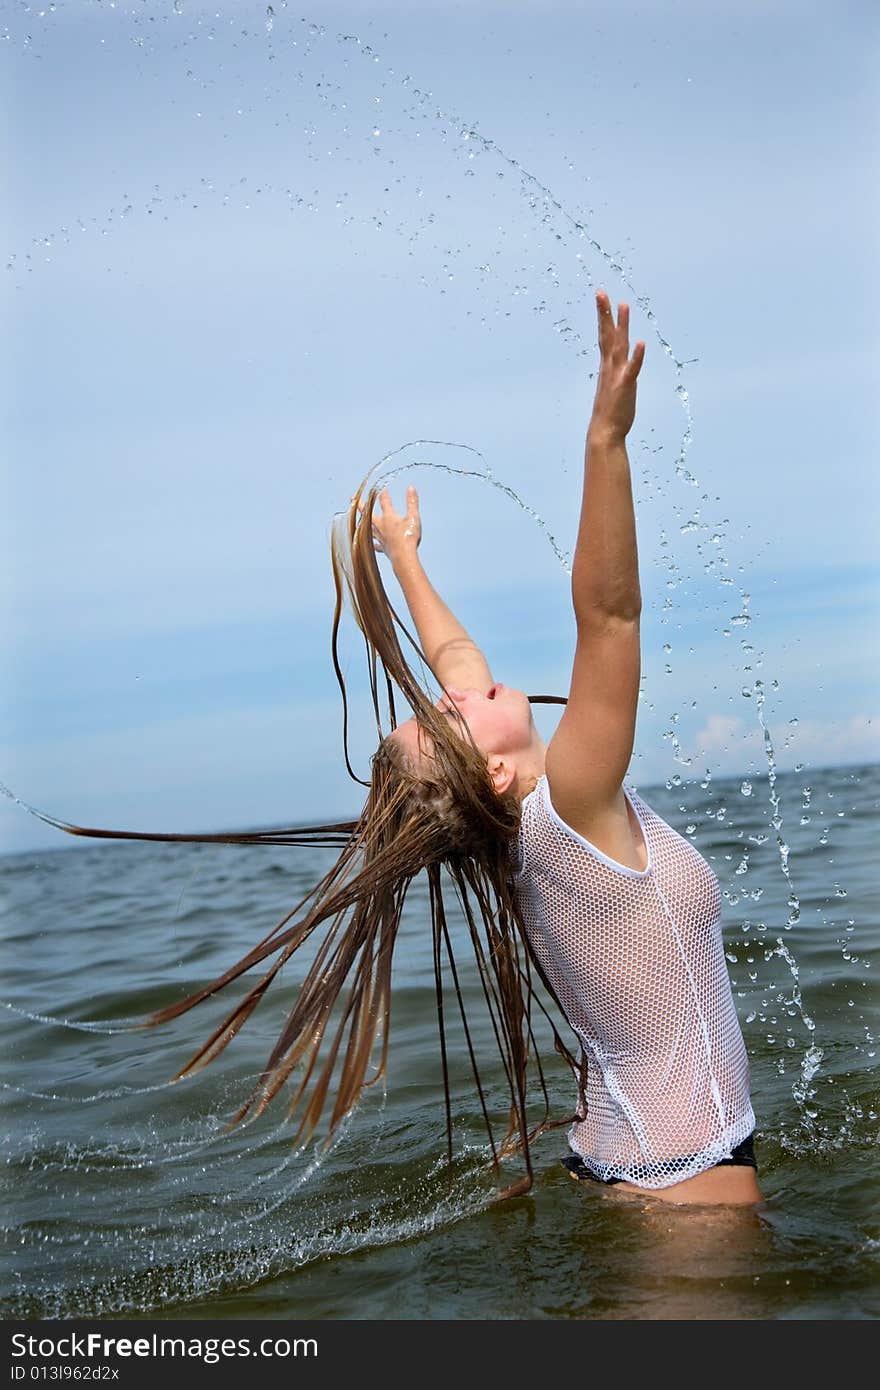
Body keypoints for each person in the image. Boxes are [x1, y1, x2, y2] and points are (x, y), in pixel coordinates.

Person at [19, 290, 760, 1206]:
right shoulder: (575, 803)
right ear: (492, 771)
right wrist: (605, 443)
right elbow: (609, 617)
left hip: (620, 1159)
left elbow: (457, 657)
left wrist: (405, 555)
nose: (454, 686)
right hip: (689, 1182)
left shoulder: (513, 835)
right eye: (447, 713)